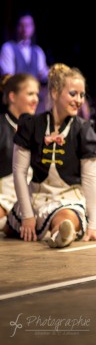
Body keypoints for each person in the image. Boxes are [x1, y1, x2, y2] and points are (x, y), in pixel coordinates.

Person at [8, 63, 96, 247]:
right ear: (54, 93)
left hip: (66, 200)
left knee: (66, 219)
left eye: (82, 95)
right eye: (72, 93)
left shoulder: (83, 131)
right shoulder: (31, 125)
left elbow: (90, 179)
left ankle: (60, 236)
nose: (79, 100)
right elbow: (19, 172)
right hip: (34, 199)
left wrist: (93, 226)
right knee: (7, 227)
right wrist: (28, 215)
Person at [0, 73, 39, 233]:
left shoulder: (39, 128)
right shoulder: (2, 126)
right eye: (30, 94)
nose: (36, 99)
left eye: (37, 94)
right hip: (6, 195)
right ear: (12, 97)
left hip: (33, 195)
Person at [0, 12, 49, 115]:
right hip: (16, 99)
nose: (25, 28)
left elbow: (43, 73)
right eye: (21, 25)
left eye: (28, 25)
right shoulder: (8, 48)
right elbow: (9, 76)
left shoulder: (37, 51)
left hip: (34, 99)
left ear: (33, 27)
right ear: (16, 27)